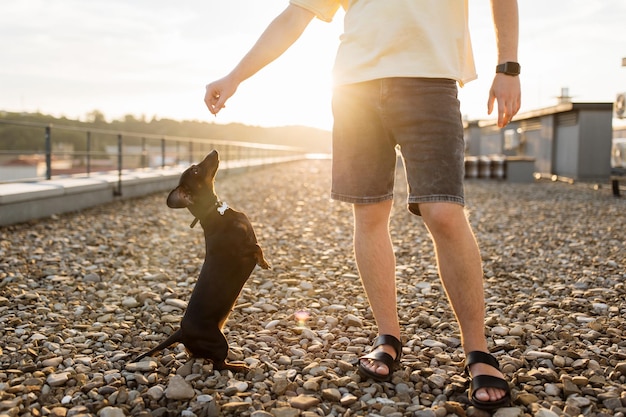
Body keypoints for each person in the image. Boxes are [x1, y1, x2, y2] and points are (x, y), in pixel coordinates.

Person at [204, 0, 521, 410]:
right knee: (370, 212)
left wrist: (508, 67)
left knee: (443, 212)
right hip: (354, 88)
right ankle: (388, 336)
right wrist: (235, 77)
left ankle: (478, 350)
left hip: (430, 83)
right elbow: (292, 17)